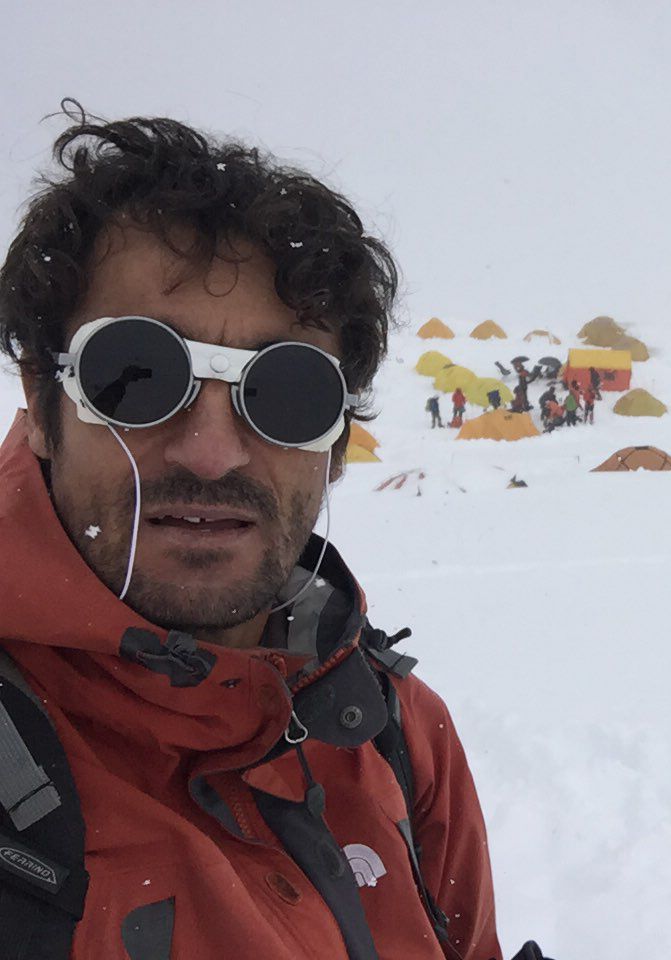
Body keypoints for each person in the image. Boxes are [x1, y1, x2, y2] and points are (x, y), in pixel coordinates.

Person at [0, 106, 538, 960]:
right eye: (136, 374)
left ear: (337, 443)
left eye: (286, 393)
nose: (213, 454)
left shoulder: (394, 737)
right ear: (41, 400)